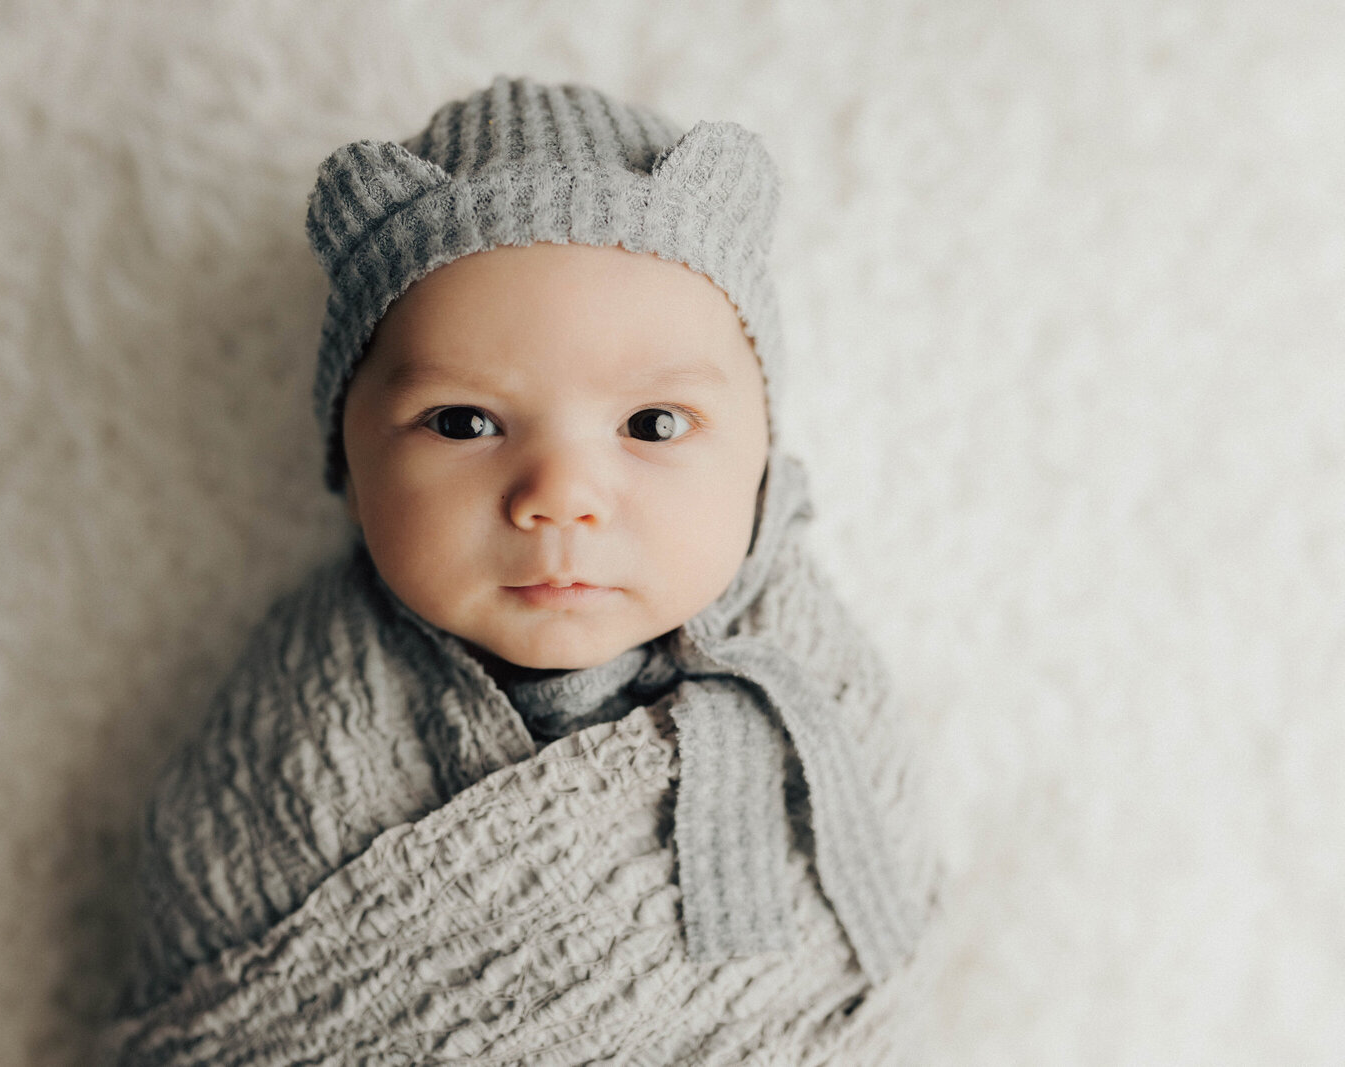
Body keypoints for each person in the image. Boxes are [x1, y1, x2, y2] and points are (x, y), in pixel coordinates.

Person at [103, 74, 946, 1066]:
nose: (558, 494)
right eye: (463, 422)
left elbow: (869, 974)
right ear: (351, 460)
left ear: (760, 458)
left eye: (653, 424)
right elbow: (213, 1000)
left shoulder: (814, 692)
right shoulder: (303, 720)